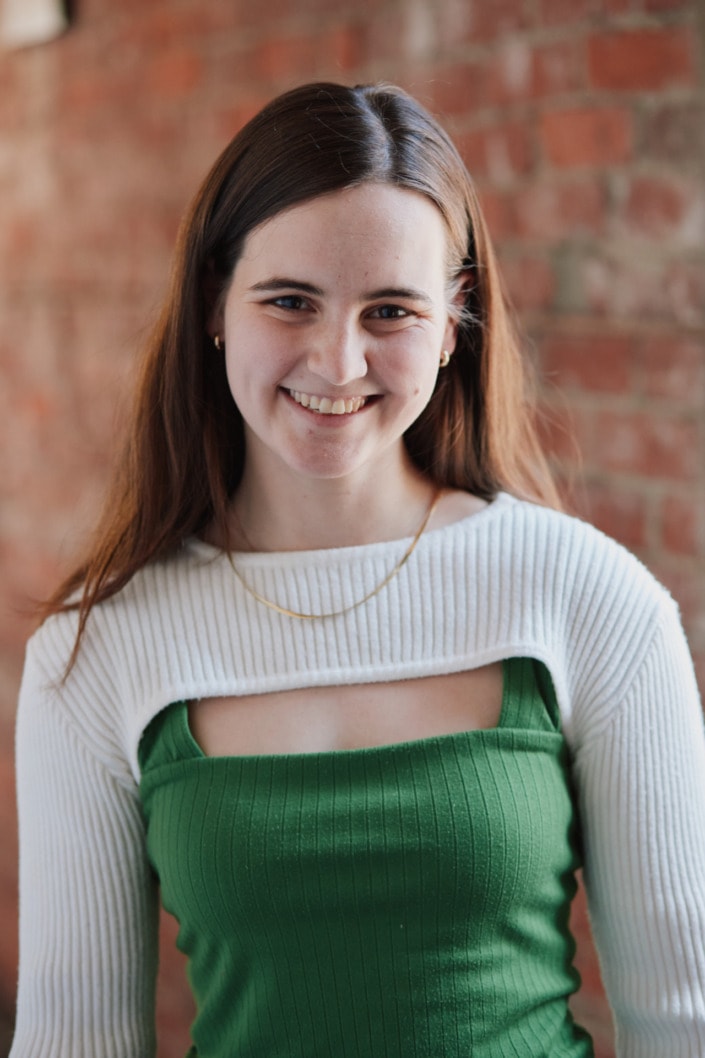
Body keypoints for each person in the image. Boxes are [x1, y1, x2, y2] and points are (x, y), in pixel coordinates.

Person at [11, 81, 705, 1058]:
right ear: (214, 303)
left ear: (453, 324)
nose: (338, 363)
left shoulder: (591, 601)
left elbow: (684, 1016)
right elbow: (72, 1041)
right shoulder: (96, 649)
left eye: (390, 311)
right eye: (290, 302)